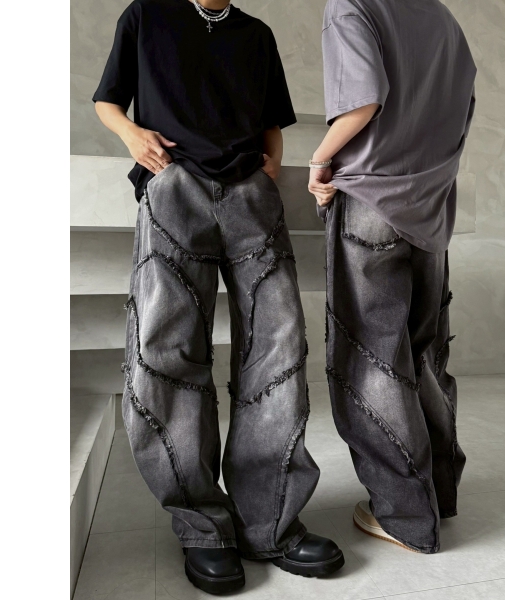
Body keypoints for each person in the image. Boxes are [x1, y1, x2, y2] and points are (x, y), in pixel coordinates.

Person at [93, 0, 344, 593]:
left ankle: (269, 523)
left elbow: (271, 118)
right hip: (174, 188)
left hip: (250, 195)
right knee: (168, 353)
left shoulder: (256, 34)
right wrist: (133, 136)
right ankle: (202, 525)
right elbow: (108, 99)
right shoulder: (147, 15)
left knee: (279, 351)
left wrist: (270, 166)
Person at [308, 0, 476, 554]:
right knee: (425, 354)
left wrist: (319, 162)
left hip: (370, 200)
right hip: (430, 209)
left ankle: (404, 516)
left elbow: (362, 102)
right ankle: (439, 495)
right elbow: (461, 114)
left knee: (371, 358)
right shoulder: (443, 19)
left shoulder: (350, 5)